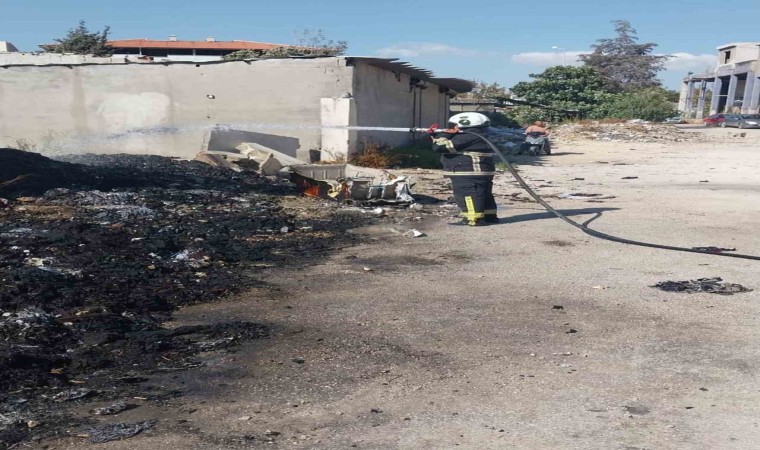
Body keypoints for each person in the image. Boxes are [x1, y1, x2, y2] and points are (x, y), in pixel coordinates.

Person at [430, 113, 499, 226]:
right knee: (482, 194)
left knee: (468, 194)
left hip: (467, 170)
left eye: (452, 125)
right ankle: (489, 216)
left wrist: (444, 133)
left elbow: (440, 147)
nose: (451, 127)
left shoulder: (468, 136)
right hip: (480, 170)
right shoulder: (480, 134)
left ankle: (473, 219)